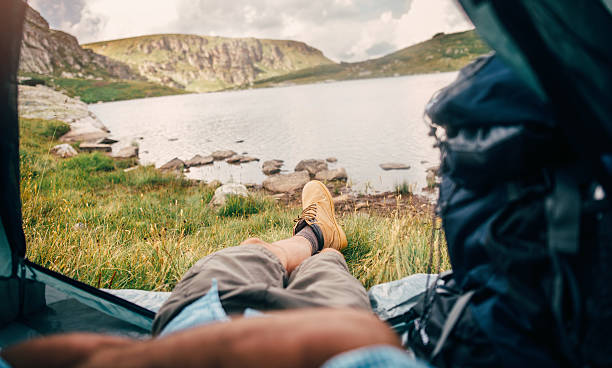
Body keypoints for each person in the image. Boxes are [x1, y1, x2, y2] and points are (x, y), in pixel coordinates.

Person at [0, 181, 426, 368]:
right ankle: (320, 238)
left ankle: (307, 234)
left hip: (200, 316)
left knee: (252, 252)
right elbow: (363, 344)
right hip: (327, 331)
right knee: (326, 266)